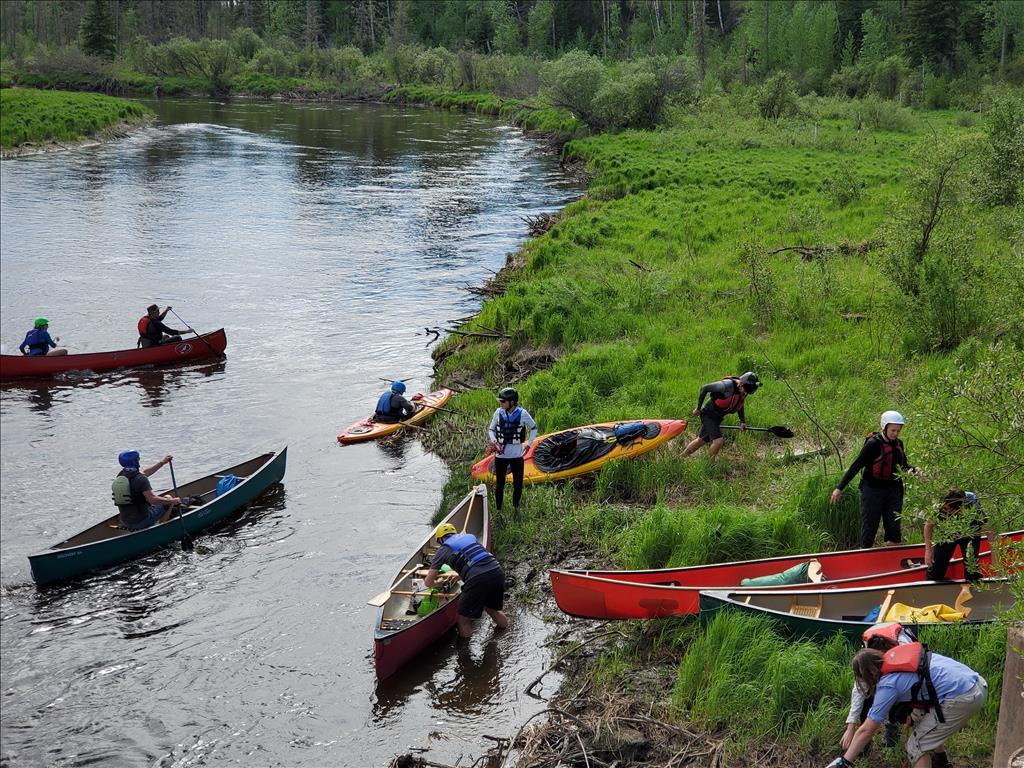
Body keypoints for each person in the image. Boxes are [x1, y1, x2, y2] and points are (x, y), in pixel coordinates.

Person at [827, 644, 987, 768]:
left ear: (868, 674)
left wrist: (845, 761)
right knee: (922, 723)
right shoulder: (896, 659)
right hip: (977, 683)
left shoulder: (888, 685)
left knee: (915, 746)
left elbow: (866, 730)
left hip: (963, 696)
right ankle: (942, 762)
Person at [839, 622, 951, 768]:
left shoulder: (904, 651)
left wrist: (911, 711)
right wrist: (851, 726)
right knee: (873, 700)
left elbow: (919, 686)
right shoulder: (868, 653)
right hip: (957, 687)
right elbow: (859, 689)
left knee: (916, 723)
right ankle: (860, 745)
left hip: (930, 688)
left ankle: (896, 732)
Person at [830, 410, 917, 548]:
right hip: (872, 490)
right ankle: (864, 557)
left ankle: (892, 558)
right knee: (870, 527)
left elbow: (903, 466)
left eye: (898, 431)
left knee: (894, 528)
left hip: (894, 491)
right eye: (893, 430)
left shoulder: (899, 444)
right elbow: (856, 466)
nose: (895, 434)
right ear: (885, 427)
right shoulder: (873, 444)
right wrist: (839, 488)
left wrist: (916, 471)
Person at [425, 522, 508, 639]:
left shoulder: (443, 550)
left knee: (463, 618)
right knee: (493, 610)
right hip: (496, 570)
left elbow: (428, 582)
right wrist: (460, 575)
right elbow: (476, 557)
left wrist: (437, 583)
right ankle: (506, 634)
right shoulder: (470, 537)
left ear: (440, 539)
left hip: (478, 578)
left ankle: (465, 651)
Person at [681, 372, 760, 458]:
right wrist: (698, 408)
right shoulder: (727, 385)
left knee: (701, 440)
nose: (745, 393)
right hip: (709, 414)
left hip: (717, 418)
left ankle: (681, 457)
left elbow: (739, 404)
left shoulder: (743, 391)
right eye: (745, 389)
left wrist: (742, 421)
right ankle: (708, 465)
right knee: (718, 441)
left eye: (748, 391)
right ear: (741, 383)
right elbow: (704, 388)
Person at [487, 387, 537, 514]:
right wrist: (494, 440)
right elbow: (491, 430)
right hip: (501, 456)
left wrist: (529, 444)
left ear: (512, 402)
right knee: (500, 485)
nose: (501, 403)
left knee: (518, 484)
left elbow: (534, 428)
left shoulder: (523, 414)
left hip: (517, 456)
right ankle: (498, 510)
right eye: (501, 401)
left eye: (503, 401)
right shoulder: (498, 413)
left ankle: (516, 508)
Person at [925, 488, 989, 582]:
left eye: (949, 510)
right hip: (947, 533)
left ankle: (973, 587)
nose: (945, 511)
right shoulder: (940, 503)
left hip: (969, 533)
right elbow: (928, 525)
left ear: (960, 509)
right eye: (945, 508)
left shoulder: (973, 503)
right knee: (935, 568)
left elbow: (987, 528)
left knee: (971, 570)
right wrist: (928, 550)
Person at [111, 451, 182, 531]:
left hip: (125, 521)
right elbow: (153, 500)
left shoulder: (121, 476)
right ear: (135, 462)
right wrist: (173, 500)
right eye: (138, 459)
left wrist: (162, 462)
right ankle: (161, 527)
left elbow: (144, 472)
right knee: (168, 498)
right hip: (142, 521)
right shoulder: (141, 479)